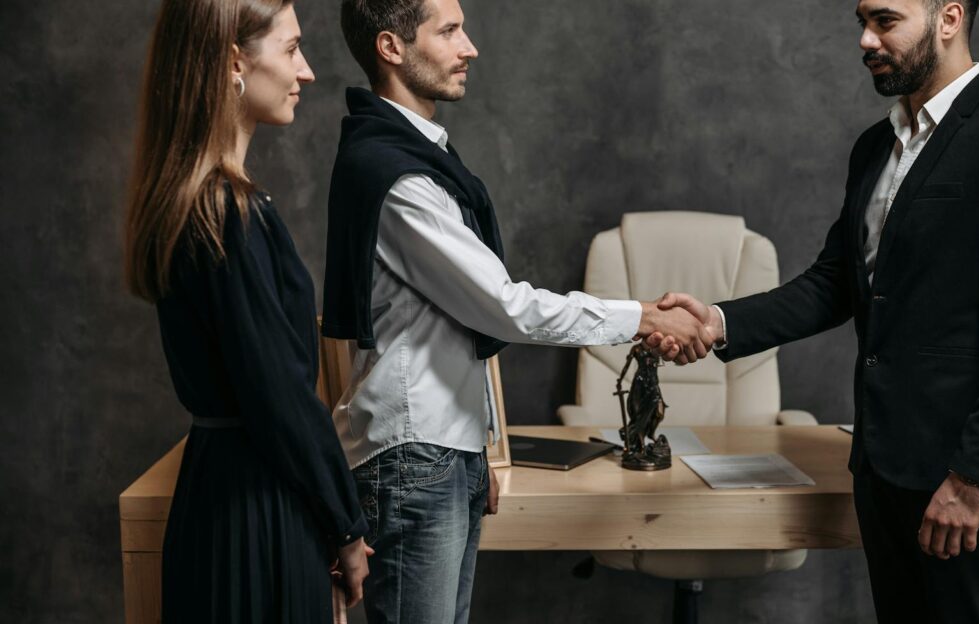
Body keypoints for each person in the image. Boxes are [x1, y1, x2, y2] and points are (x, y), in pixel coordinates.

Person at [652, 1, 979, 622]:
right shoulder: (877, 146)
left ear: (949, 19)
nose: (864, 40)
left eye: (885, 21)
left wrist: (972, 478)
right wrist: (719, 322)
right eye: (863, 21)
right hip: (882, 472)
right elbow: (837, 284)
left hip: (958, 481)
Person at [322, 1, 712, 622]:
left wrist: (479, 448)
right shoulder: (397, 177)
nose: (469, 47)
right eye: (448, 31)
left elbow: (448, 327)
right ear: (391, 48)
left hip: (440, 450)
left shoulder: (412, 155)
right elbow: (505, 308)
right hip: (415, 456)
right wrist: (643, 316)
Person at [123, 1, 372, 620]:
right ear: (235, 61)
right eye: (291, 49)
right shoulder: (226, 212)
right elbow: (281, 398)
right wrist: (345, 527)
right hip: (258, 511)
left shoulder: (191, 202)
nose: (307, 71)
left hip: (217, 497)